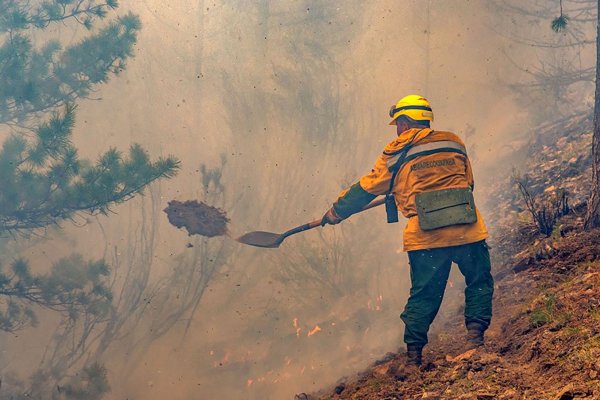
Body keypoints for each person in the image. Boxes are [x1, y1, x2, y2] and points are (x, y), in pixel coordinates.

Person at [321, 94, 494, 366]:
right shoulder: (453, 142)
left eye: (398, 123)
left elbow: (367, 187)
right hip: (467, 229)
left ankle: (414, 357)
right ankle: (476, 338)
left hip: (427, 237)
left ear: (404, 122)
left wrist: (336, 212)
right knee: (479, 281)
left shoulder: (396, 152)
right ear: (426, 120)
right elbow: (468, 183)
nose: (398, 129)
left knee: (424, 293)